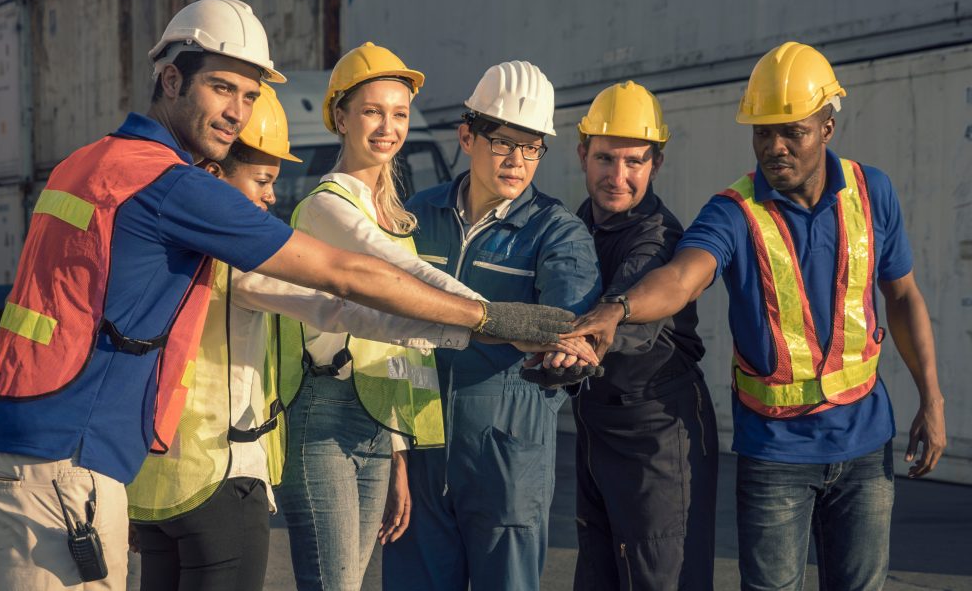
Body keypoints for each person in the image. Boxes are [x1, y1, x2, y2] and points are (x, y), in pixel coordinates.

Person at [0, 0, 576, 591]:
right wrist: (487, 318)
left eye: (250, 95)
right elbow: (345, 275)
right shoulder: (176, 188)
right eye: (222, 88)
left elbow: (323, 303)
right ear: (172, 80)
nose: (237, 111)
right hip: (67, 460)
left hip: (21, 446)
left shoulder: (88, 161)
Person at [573, 42, 947, 590]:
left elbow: (904, 295)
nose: (774, 146)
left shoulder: (873, 192)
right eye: (761, 131)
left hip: (866, 444)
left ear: (827, 126)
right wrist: (619, 307)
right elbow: (681, 278)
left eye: (791, 131)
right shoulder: (733, 211)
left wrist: (931, 398)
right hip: (776, 455)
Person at [382, 61, 602, 591]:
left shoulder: (556, 231)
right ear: (467, 136)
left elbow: (568, 328)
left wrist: (564, 358)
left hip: (507, 456)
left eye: (532, 148)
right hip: (421, 448)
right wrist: (393, 446)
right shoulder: (416, 215)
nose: (518, 160)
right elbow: (383, 327)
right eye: (504, 142)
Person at [569, 81, 718, 590]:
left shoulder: (657, 238)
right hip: (596, 423)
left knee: (661, 577)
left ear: (656, 163)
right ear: (582, 152)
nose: (618, 176)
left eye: (635, 161)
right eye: (606, 159)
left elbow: (619, 324)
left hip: (658, 432)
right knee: (598, 573)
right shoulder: (574, 227)